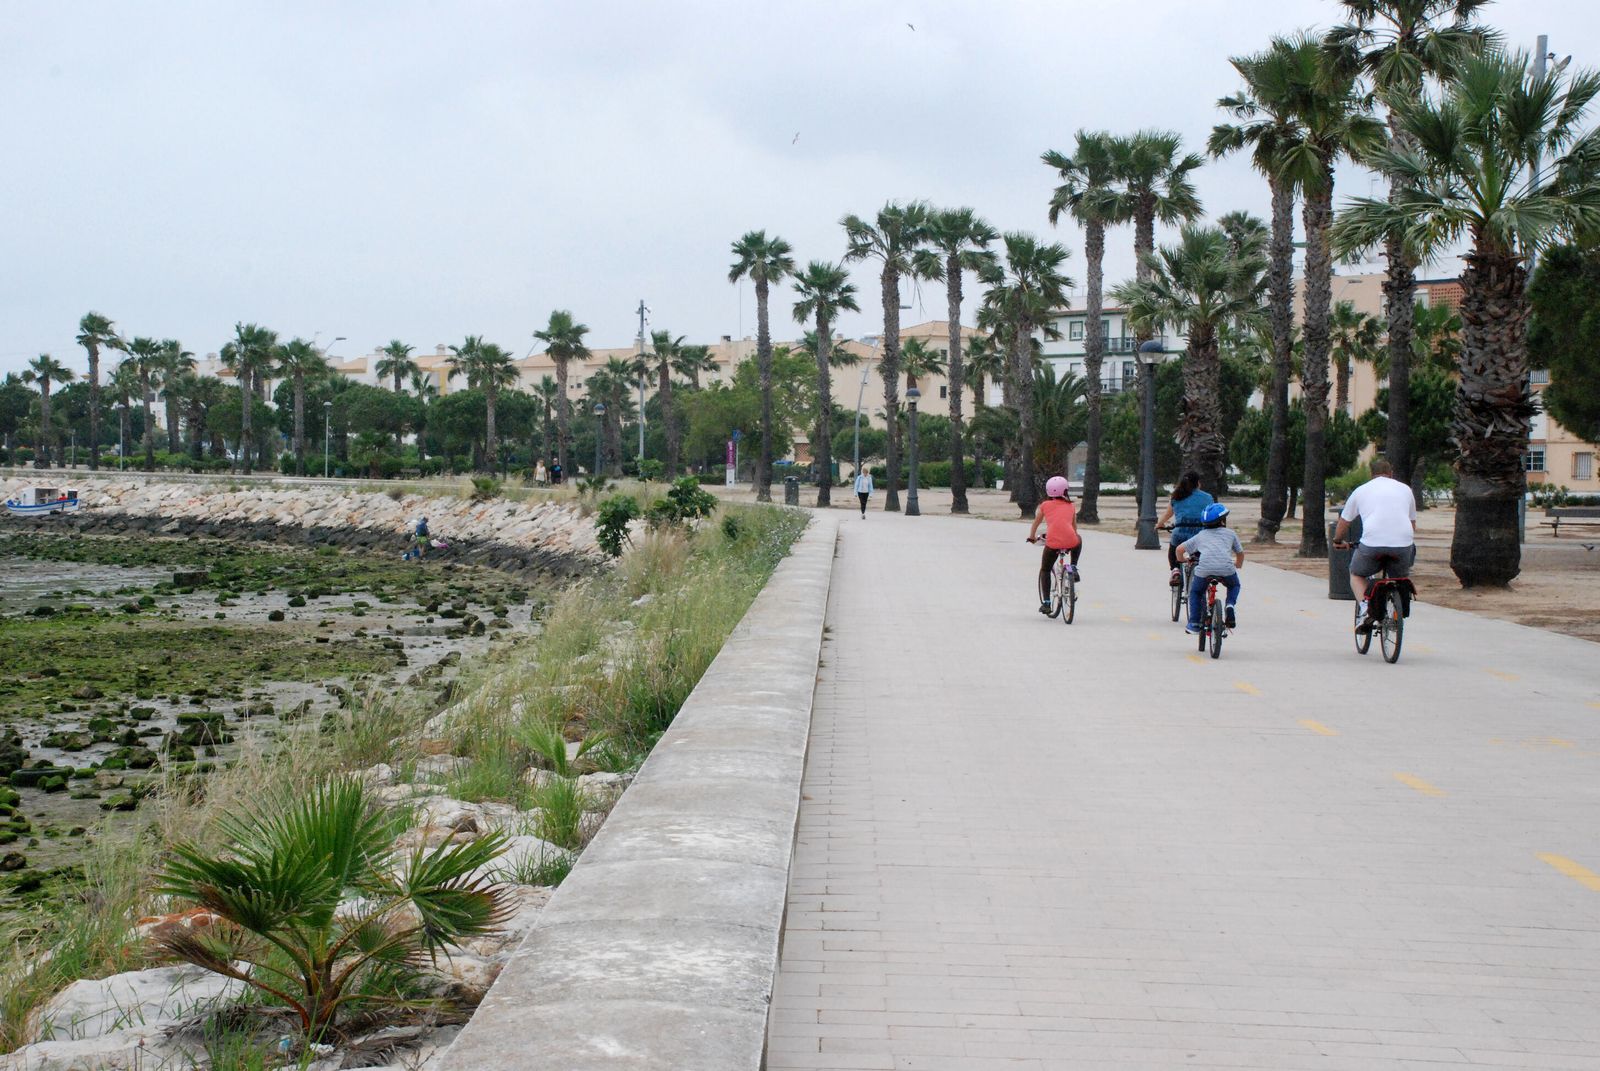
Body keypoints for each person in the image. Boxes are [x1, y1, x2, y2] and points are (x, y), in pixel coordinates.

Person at [1333, 456, 1417, 629]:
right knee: (1399, 578)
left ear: (1371, 474)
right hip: (1402, 544)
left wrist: (1337, 540)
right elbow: (1412, 523)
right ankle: (1396, 612)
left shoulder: (1361, 490)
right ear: (1391, 473)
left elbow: (1344, 521)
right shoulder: (1406, 489)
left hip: (1372, 544)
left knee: (1356, 573)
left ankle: (1365, 608)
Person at [1176, 503, 1243, 633]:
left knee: (1196, 592)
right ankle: (1229, 605)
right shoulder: (1231, 534)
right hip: (1226, 569)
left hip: (1205, 570)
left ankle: (1194, 623)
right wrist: (1238, 564)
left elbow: (1179, 549)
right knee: (1234, 585)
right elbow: (1240, 553)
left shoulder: (1201, 535)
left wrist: (1182, 559)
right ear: (1223, 521)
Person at [1025, 475, 1082, 615]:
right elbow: (1074, 528)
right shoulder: (1071, 506)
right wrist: (1070, 538)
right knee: (1078, 538)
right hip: (1071, 541)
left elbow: (1036, 523)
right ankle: (1073, 566)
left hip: (1053, 543)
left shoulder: (1045, 505)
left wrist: (1032, 537)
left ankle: (1047, 603)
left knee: (1045, 569)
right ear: (1065, 491)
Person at [1157, 471, 1214, 586]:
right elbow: (1212, 515)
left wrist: (1159, 524)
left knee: (1174, 550)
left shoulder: (1177, 496)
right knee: (1200, 555)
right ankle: (1201, 576)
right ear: (1198, 483)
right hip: (1200, 534)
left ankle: (1175, 570)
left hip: (1180, 532)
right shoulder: (1207, 497)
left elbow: (1167, 514)